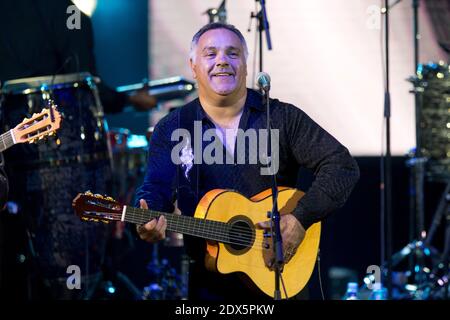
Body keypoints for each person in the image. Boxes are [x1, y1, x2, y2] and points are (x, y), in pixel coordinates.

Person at [135, 22, 360, 300]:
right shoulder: (172, 127)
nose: (222, 61)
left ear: (244, 63)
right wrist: (148, 217)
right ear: (193, 65)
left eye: (232, 53)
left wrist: (300, 219)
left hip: (280, 274)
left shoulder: (280, 117)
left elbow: (341, 166)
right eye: (210, 53)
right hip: (209, 287)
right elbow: (156, 187)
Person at [0, 0, 156, 300]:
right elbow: (83, 87)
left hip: (10, 149)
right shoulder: (69, 14)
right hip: (60, 153)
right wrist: (128, 100)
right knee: (63, 256)